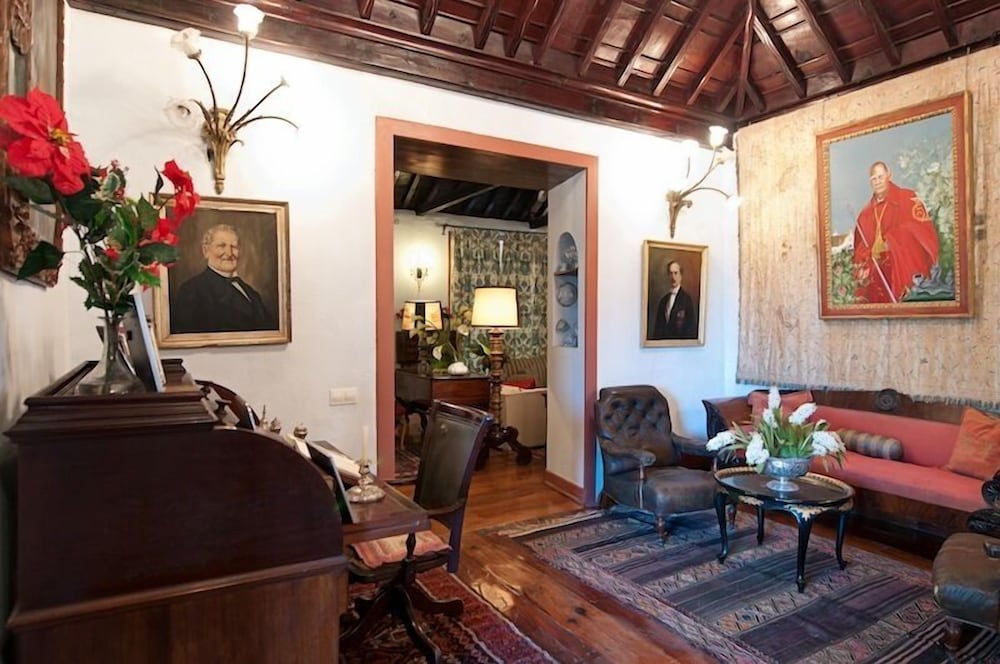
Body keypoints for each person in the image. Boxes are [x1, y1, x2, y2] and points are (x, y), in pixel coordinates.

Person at [852, 161, 939, 304]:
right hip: (878, 280)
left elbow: (922, 232)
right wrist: (869, 253)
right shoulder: (865, 215)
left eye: (880, 177)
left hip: (901, 272)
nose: (877, 182)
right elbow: (858, 250)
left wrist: (890, 242)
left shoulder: (907, 198)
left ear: (889, 175)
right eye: (874, 179)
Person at [172, 224, 276, 333]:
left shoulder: (250, 292)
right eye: (221, 246)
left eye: (234, 247)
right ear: (205, 251)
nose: (229, 253)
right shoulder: (191, 290)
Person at [652, 260, 696, 339]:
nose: (673, 277)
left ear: (681, 276)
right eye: (670, 273)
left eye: (676, 273)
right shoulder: (663, 301)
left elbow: (691, 329)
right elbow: (657, 329)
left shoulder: (687, 300)